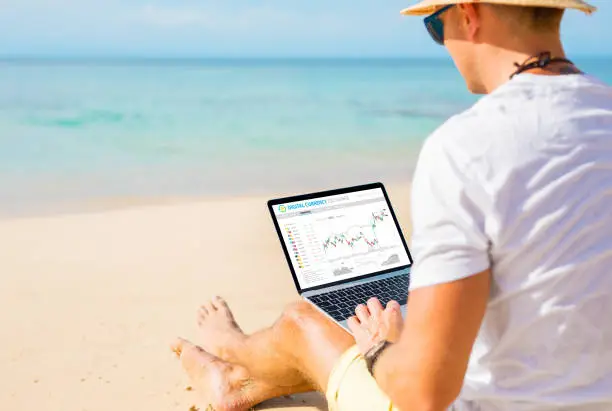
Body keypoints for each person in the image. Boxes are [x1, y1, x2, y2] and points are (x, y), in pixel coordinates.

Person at [171, 0, 612, 410]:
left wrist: (383, 349)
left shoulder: (468, 146)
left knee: (303, 321)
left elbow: (424, 393)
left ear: (469, 14)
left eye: (434, 26)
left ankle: (232, 360)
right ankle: (241, 376)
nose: (444, 43)